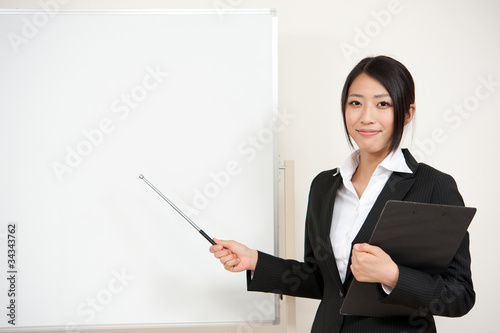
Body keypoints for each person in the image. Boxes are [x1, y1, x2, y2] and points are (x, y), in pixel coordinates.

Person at [209, 55, 475, 333]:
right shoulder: (324, 185)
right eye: (355, 103)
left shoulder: (433, 186)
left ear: (407, 114)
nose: (366, 117)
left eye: (382, 104)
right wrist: (256, 260)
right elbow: (324, 280)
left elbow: (459, 296)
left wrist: (393, 276)